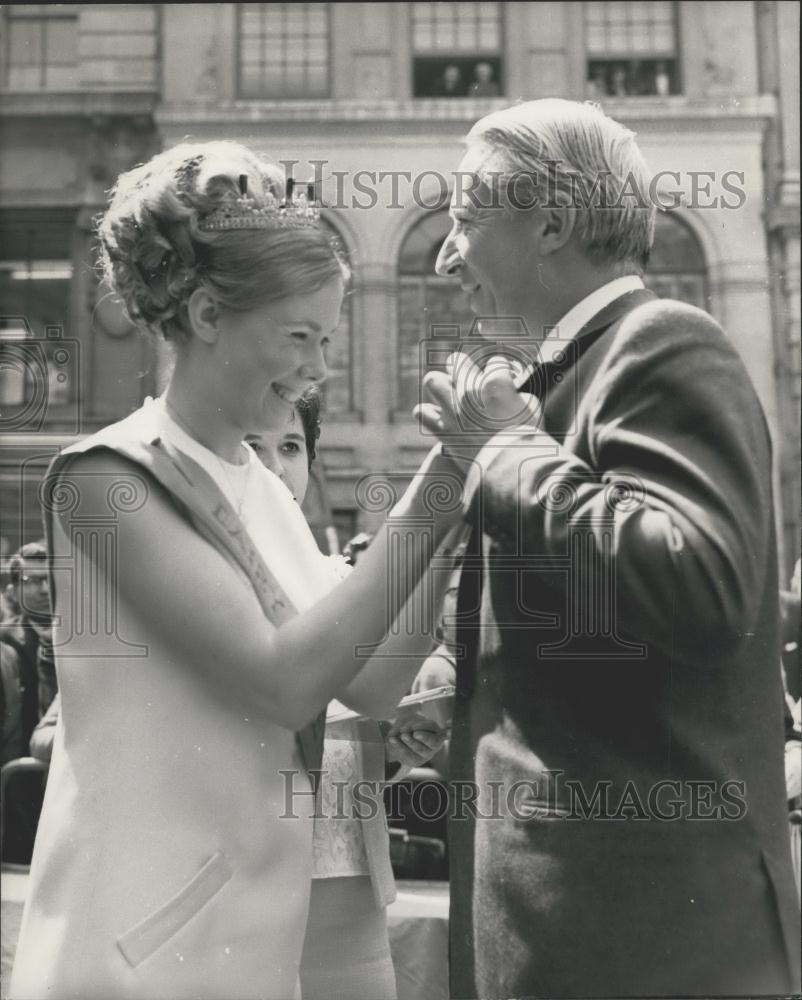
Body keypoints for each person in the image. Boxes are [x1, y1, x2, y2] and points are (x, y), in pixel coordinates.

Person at [10, 141, 463, 1000]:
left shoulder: (260, 488)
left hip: (250, 941)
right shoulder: (106, 478)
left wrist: (453, 504)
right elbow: (284, 684)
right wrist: (441, 486)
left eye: (326, 340)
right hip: (138, 952)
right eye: (299, 336)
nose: (317, 370)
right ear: (209, 314)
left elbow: (370, 685)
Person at [413, 99, 801, 997]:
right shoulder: (557, 379)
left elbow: (699, 585)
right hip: (585, 938)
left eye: (466, 220)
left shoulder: (660, 342)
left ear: (550, 223)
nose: (446, 255)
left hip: (646, 948)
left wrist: (502, 455)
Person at [248, 389, 447, 1000]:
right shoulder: (192, 574)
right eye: (252, 447)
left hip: (347, 873)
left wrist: (393, 748)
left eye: (290, 447)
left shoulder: (342, 581)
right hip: (239, 874)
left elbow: (376, 696)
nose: (274, 468)